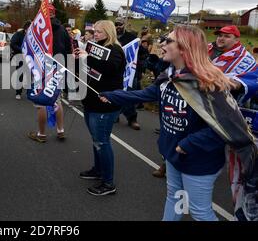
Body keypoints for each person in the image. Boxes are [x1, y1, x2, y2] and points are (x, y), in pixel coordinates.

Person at [99, 25, 232, 220]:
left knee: (199, 211)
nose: (162, 44)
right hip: (172, 153)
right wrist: (113, 96)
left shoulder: (208, 81)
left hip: (199, 159)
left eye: (168, 41)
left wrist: (187, 144)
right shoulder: (168, 77)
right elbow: (145, 94)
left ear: (184, 48)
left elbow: (225, 126)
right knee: (174, 197)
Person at [75, 20, 126, 196]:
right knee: (96, 140)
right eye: (94, 31)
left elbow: (110, 68)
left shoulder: (115, 50)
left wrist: (87, 58)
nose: (95, 34)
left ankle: (108, 182)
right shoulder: (94, 47)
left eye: (99, 32)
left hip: (105, 104)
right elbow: (88, 69)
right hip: (91, 100)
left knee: (102, 141)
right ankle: (98, 170)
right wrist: (79, 59)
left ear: (108, 32)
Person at [27, 4, 72, 143]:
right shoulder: (64, 30)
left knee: (42, 102)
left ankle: (41, 134)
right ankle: (60, 130)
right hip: (59, 67)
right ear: (54, 14)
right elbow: (69, 50)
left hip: (43, 68)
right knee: (56, 100)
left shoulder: (39, 29)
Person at [114, 17, 141, 130]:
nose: (118, 27)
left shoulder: (132, 38)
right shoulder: (111, 37)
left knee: (128, 95)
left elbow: (139, 55)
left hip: (129, 71)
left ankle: (132, 118)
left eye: (120, 24)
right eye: (116, 24)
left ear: (124, 25)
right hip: (115, 71)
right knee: (114, 93)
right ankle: (115, 115)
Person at [11, 21, 31, 100]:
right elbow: (13, 44)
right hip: (20, 57)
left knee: (30, 75)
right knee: (20, 75)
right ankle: (18, 93)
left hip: (30, 58)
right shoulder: (18, 34)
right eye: (29, 29)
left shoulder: (33, 36)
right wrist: (22, 50)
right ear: (25, 28)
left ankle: (29, 93)